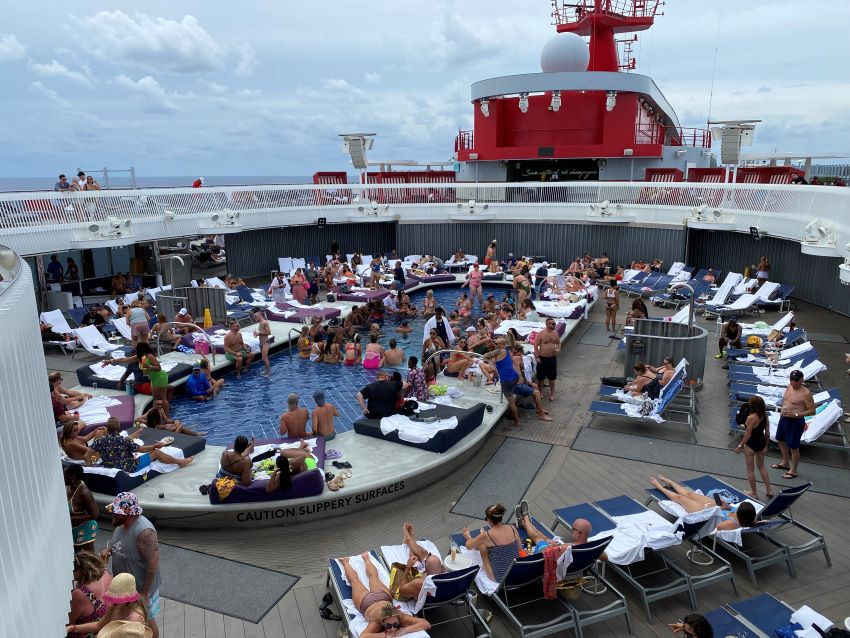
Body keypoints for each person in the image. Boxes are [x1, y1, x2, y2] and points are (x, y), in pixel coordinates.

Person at [102, 493, 162, 638]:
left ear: (127, 513)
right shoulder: (121, 525)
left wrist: (144, 593)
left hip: (140, 590)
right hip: (126, 587)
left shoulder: (144, 532)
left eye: (116, 512)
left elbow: (153, 562)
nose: (113, 515)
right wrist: (108, 550)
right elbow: (119, 541)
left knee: (147, 621)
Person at [338, 553, 431, 638]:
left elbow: (426, 624)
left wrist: (404, 630)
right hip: (367, 601)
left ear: (398, 620)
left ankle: (366, 558)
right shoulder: (376, 623)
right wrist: (384, 635)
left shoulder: (401, 617)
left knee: (373, 577)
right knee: (354, 581)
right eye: (388, 626)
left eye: (396, 625)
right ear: (383, 622)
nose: (393, 628)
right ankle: (345, 562)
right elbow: (363, 636)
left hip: (380, 597)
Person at [483, 337, 553, 426]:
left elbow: (485, 356)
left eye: (496, 343)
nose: (494, 344)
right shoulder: (509, 353)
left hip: (506, 381)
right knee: (529, 391)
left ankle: (517, 421)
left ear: (501, 345)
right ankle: (540, 411)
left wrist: (488, 357)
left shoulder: (499, 351)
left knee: (512, 403)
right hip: (515, 379)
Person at [649, 475, 757, 531]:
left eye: (738, 509)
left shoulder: (731, 523)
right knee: (690, 494)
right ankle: (671, 483)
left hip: (706, 514)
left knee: (680, 498)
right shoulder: (740, 515)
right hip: (715, 508)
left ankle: (659, 487)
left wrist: (716, 509)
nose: (736, 508)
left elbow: (714, 527)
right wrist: (726, 507)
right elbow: (730, 510)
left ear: (742, 515)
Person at [91, 417, 194, 471]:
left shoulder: (99, 441)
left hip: (110, 466)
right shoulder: (124, 440)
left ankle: (136, 434)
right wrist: (154, 446)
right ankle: (180, 462)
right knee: (156, 453)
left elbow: (87, 455)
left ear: (107, 429)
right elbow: (142, 449)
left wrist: (90, 468)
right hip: (129, 467)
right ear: (118, 427)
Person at [772, 369, 815, 479]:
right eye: (791, 379)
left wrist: (795, 414)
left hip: (796, 422)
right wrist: (782, 410)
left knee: (793, 447)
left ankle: (793, 471)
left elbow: (812, 411)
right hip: (784, 418)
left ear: (801, 380)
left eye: (796, 380)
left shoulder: (806, 393)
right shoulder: (789, 387)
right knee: (780, 440)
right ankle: (785, 463)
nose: (793, 382)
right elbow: (786, 401)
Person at [461, 503, 521, 581]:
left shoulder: (486, 535)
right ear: (501, 517)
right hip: (516, 571)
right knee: (491, 546)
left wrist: (468, 537)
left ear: (489, 520)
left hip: (499, 576)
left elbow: (468, 546)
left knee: (482, 545)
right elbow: (520, 548)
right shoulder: (512, 528)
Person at [736, 396, 774, 500]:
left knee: (750, 469)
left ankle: (754, 493)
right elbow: (767, 433)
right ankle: (769, 490)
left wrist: (739, 446)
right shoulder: (764, 416)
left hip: (751, 444)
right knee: (761, 467)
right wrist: (766, 446)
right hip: (761, 442)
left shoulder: (751, 418)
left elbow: (747, 435)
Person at [66, 551, 113, 638]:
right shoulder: (107, 575)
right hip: (107, 630)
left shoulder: (80, 594)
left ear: (79, 572)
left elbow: (68, 622)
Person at [65, 464, 99, 553]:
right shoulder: (69, 487)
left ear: (73, 477)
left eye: (65, 475)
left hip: (85, 529)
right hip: (74, 529)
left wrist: (69, 519)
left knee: (87, 559)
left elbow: (94, 514)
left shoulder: (84, 493)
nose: (62, 477)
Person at [135, 343, 172, 417]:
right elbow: (125, 360)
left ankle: (167, 416)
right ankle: (158, 416)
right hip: (153, 379)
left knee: (162, 397)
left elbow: (158, 368)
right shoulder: (140, 357)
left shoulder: (150, 356)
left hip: (160, 377)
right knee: (155, 398)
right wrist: (111, 361)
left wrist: (148, 366)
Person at [137, 401, 204, 436]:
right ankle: (196, 434)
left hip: (168, 432)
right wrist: (177, 424)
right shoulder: (158, 423)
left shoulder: (157, 421)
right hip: (173, 436)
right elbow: (138, 419)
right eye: (160, 415)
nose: (161, 415)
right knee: (181, 427)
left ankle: (193, 432)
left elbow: (167, 421)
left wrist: (174, 422)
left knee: (184, 426)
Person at [534, 317, 560, 401]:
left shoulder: (555, 333)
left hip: (552, 358)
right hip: (542, 358)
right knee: (541, 378)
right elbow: (535, 345)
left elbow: (559, 343)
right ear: (547, 324)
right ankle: (540, 392)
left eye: (554, 323)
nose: (554, 325)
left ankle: (552, 393)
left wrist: (558, 349)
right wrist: (537, 357)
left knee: (552, 378)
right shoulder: (541, 333)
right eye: (552, 324)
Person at [252, 309, 272, 376]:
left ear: (260, 314)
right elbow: (262, 332)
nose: (254, 317)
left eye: (255, 316)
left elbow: (269, 332)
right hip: (261, 343)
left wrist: (259, 333)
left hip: (266, 343)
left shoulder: (264, 322)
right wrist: (256, 333)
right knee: (263, 359)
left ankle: (269, 372)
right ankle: (266, 370)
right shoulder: (260, 323)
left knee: (264, 358)